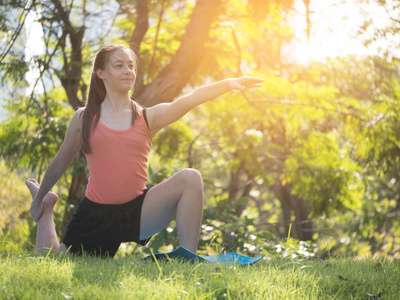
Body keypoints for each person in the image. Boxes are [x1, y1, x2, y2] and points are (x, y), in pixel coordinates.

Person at [27, 43, 264, 258]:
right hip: (96, 214)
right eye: (118, 66)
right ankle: (48, 206)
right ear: (100, 74)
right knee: (56, 259)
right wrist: (38, 199)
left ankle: (187, 258)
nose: (128, 70)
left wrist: (227, 84)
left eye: (131, 65)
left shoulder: (148, 117)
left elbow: (189, 99)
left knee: (191, 178)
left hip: (138, 211)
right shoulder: (84, 117)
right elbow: (60, 162)